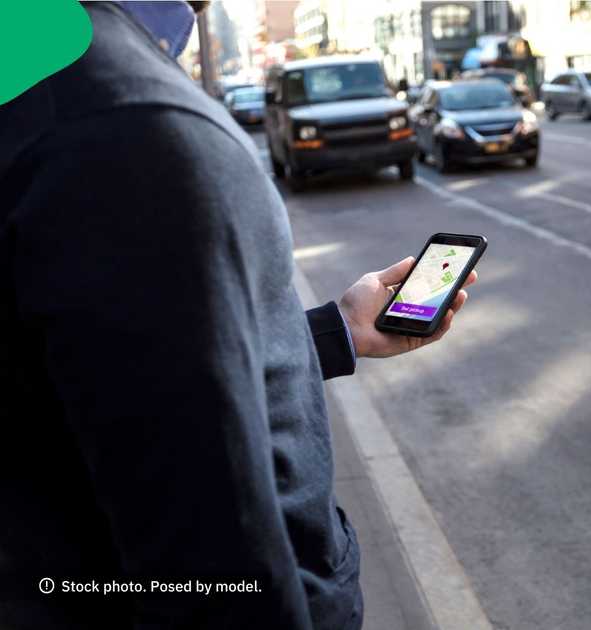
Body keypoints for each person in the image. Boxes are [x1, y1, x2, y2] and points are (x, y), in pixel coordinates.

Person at [0, 3, 474, 628]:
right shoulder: (125, 128)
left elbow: (108, 382)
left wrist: (335, 333)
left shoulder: (40, 60)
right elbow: (210, 573)